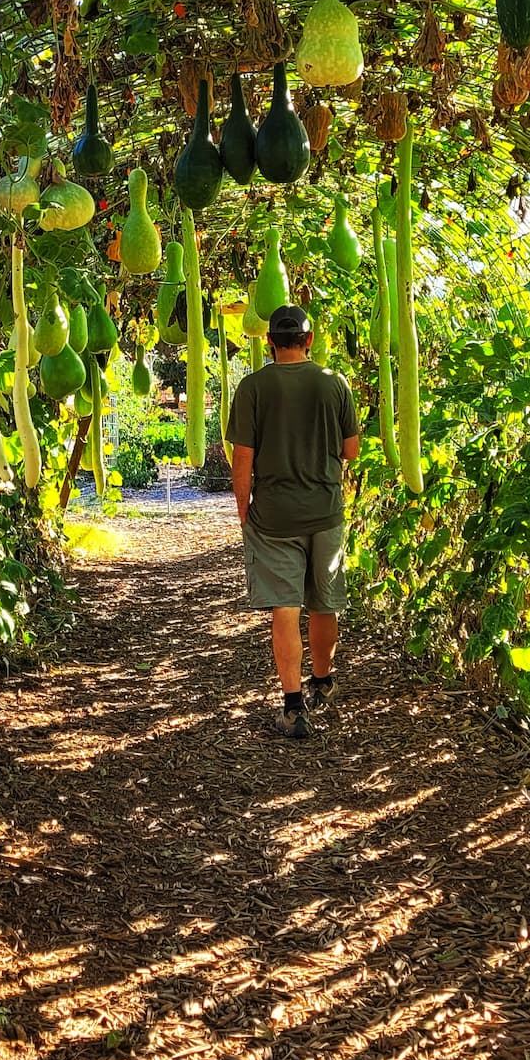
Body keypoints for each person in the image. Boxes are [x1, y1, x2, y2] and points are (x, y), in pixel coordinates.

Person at [226, 304, 361, 739]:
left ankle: (293, 706)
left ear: (268, 341)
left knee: (285, 608)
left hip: (274, 517)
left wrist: (244, 508)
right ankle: (323, 681)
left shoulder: (253, 387)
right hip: (325, 511)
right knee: (324, 602)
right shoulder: (334, 384)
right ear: (309, 340)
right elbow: (352, 449)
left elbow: (242, 458)